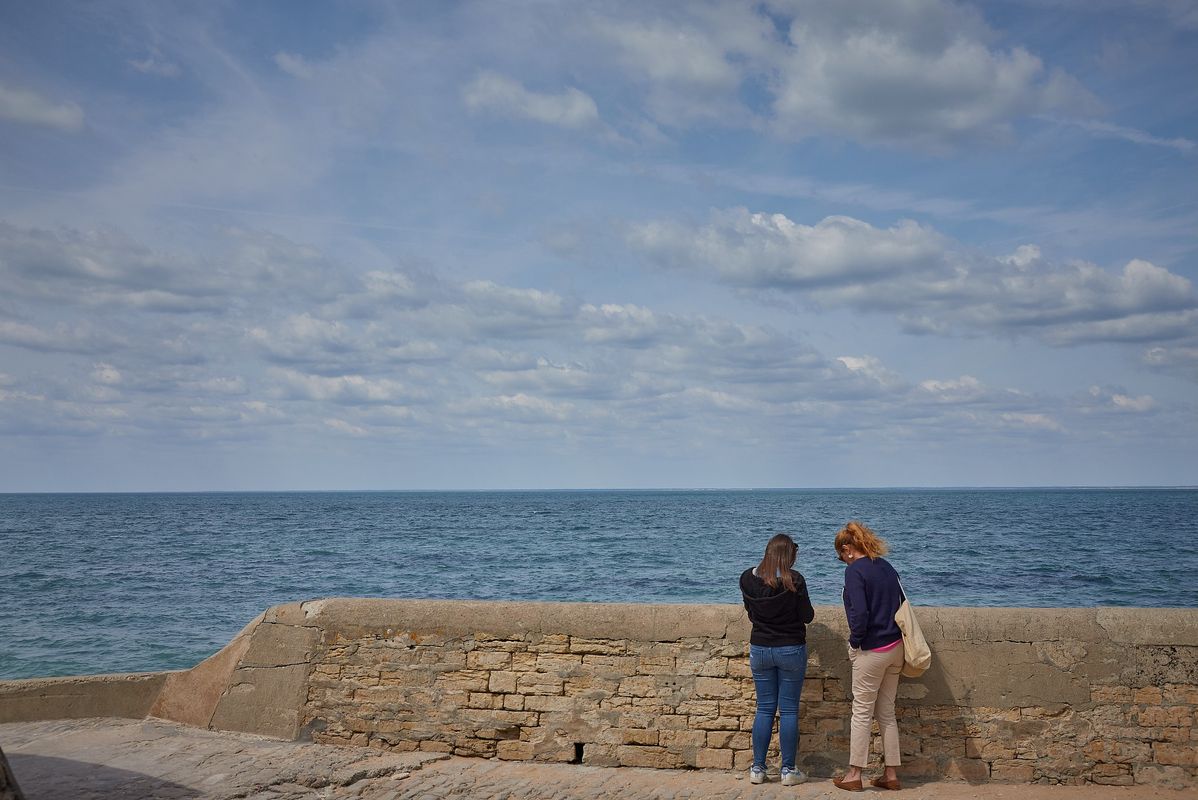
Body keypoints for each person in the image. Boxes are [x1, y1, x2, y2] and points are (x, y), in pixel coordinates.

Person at [832, 520, 905, 792]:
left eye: (841, 556)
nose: (843, 561)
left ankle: (854, 775)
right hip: (895, 647)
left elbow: (860, 614)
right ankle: (891, 774)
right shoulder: (886, 567)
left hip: (872, 650)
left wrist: (854, 642)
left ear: (848, 549)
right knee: (887, 713)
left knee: (862, 713)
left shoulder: (855, 572)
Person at [739, 533, 815, 785]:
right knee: (789, 710)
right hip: (790, 648)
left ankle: (758, 768)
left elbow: (751, 613)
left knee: (764, 708)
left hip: (760, 648)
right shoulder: (795, 581)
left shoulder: (747, 579)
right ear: (788, 556)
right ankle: (788, 770)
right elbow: (807, 616)